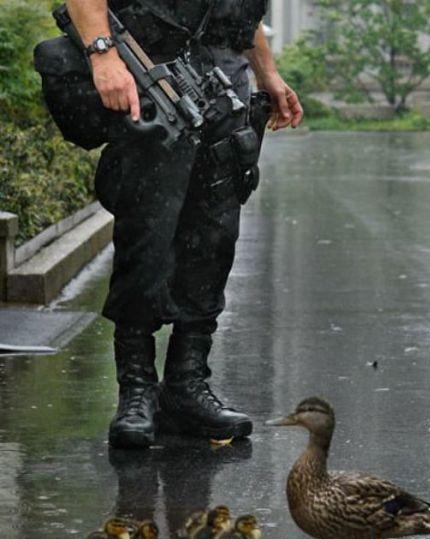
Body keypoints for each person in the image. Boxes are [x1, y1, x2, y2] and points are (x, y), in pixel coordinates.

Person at [66, 0, 303, 449]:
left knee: (214, 241)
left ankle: (186, 387)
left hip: (222, 88)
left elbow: (236, 15)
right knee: (147, 236)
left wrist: (267, 73)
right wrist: (103, 54)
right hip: (151, 76)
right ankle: (136, 391)